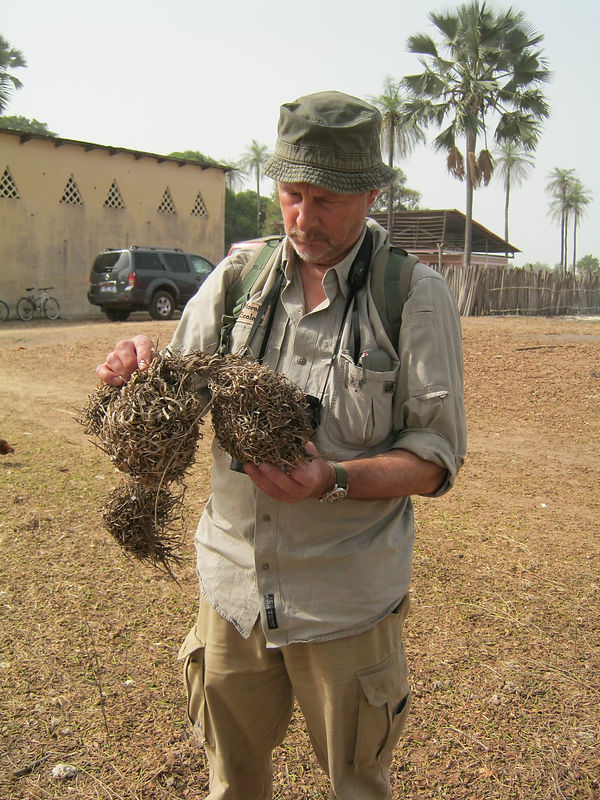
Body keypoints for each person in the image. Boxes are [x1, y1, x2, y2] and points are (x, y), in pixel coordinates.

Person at [97, 90, 467, 800]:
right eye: (291, 194)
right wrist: (137, 372)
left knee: (357, 785)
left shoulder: (411, 296)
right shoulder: (237, 278)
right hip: (234, 589)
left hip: (344, 603)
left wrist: (333, 478)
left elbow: (435, 457)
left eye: (326, 199)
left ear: (369, 194)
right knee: (232, 784)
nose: (303, 216)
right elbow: (176, 388)